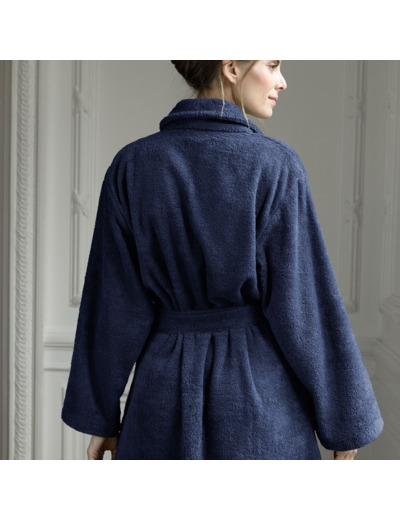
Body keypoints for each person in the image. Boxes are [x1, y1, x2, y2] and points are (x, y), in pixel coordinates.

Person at [61, 60, 384, 460]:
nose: (282, 81)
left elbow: (112, 306)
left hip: (159, 401)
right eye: (272, 64)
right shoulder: (276, 167)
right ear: (231, 67)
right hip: (260, 405)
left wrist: (100, 418)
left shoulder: (131, 166)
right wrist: (345, 423)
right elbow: (306, 306)